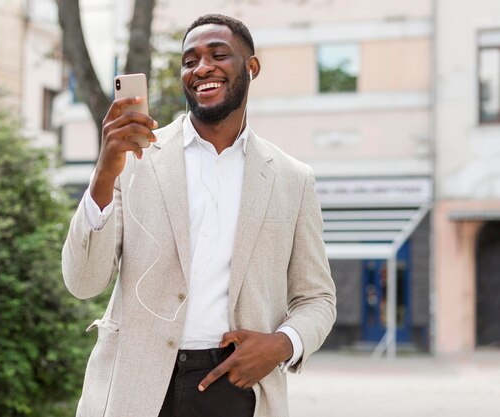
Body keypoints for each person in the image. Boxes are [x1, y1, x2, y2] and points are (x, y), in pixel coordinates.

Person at [62, 14, 336, 417]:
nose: (202, 67)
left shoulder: (292, 179)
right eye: (190, 60)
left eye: (218, 55)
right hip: (133, 389)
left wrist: (282, 344)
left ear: (251, 68)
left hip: (237, 386)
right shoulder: (134, 161)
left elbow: (317, 298)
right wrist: (104, 172)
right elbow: (83, 282)